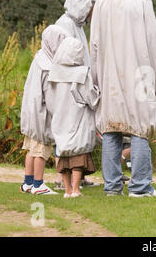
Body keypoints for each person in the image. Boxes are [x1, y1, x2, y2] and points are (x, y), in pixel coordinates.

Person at [90, 0, 156, 197]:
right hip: (139, 75)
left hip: (109, 76)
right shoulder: (142, 2)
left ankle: (112, 186)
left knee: (110, 128)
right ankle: (140, 187)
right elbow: (153, 44)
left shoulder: (102, 1)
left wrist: (94, 79)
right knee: (140, 128)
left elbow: (94, 44)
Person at [54, 0, 98, 190]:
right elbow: (65, 57)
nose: (91, 12)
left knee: (79, 136)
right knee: (69, 135)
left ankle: (77, 178)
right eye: (90, 7)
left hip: (79, 87)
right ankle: (65, 179)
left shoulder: (77, 26)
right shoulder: (64, 25)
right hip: (71, 90)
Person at [45, 37, 100, 198]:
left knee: (63, 154)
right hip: (78, 116)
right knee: (78, 153)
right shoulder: (83, 73)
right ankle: (76, 189)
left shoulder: (54, 73)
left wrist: (56, 111)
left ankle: (67, 189)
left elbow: (49, 99)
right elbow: (91, 96)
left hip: (60, 118)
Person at [20, 25, 69, 195]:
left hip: (31, 111)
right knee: (42, 149)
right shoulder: (48, 67)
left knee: (31, 149)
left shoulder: (39, 58)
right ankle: (38, 184)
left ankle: (28, 182)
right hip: (41, 114)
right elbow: (50, 97)